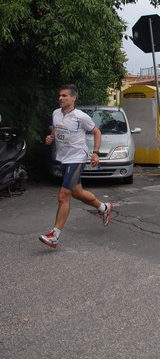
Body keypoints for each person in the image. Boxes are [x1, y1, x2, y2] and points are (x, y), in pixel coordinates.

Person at [39, 85, 112, 249]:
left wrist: (95, 153)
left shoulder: (81, 117)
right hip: (63, 158)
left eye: (64, 95)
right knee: (77, 193)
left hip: (77, 157)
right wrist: (51, 137)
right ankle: (104, 207)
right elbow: (56, 130)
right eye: (59, 95)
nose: (60, 98)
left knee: (63, 195)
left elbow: (97, 132)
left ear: (73, 98)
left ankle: (55, 235)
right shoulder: (56, 113)